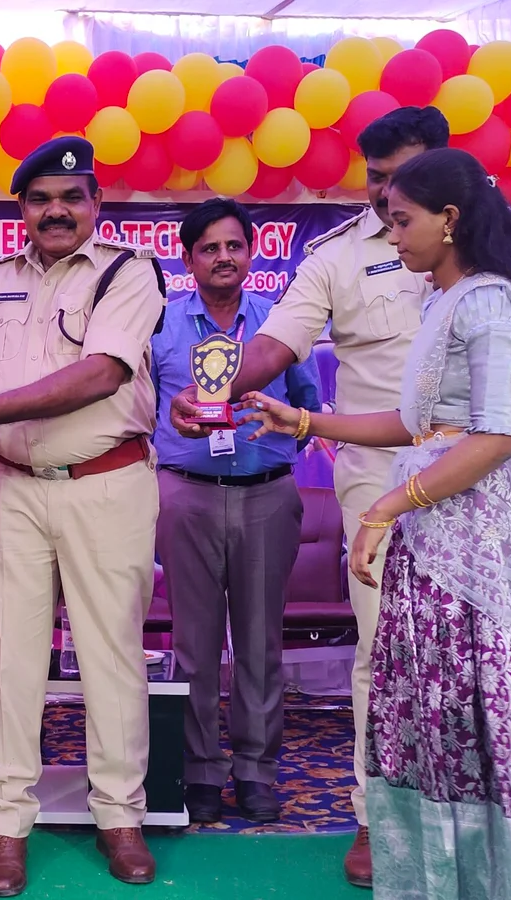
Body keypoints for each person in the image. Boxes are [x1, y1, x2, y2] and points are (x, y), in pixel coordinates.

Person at [242, 149, 511, 898]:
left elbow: (494, 438)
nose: (393, 236)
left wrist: (387, 506)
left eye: (402, 221)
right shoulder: (445, 300)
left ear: (450, 220)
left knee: (493, 706)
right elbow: (416, 422)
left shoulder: (490, 304)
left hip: (482, 552)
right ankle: (458, 874)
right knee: (441, 710)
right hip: (436, 541)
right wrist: (302, 420)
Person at [169, 105, 448, 887]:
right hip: (375, 478)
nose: (388, 194)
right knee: (379, 651)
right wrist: (213, 393)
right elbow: (276, 348)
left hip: (485, 469)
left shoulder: (500, 239)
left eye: (405, 177)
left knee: (478, 652)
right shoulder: (333, 258)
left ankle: (485, 808)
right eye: (377, 178)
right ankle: (373, 813)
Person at [0, 136, 166, 897]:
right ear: (21, 208)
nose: (56, 211)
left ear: (95, 204)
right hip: (10, 487)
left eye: (70, 198)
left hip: (106, 483)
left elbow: (100, 375)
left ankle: (120, 816)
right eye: (40, 199)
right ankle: (6, 824)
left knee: (111, 657)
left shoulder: (129, 271)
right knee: (7, 660)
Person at [151, 198, 320, 824]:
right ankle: (200, 771)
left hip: (266, 495)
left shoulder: (281, 324)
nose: (223, 257)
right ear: (188, 259)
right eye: (209, 248)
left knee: (259, 642)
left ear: (251, 252)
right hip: (185, 494)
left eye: (233, 246)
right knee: (193, 645)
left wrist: (273, 438)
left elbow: (307, 405)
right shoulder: (161, 325)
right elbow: (142, 409)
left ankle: (256, 771)